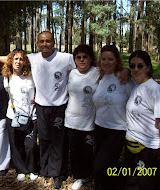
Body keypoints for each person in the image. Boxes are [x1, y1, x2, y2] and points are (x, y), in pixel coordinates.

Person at [0, 31, 76, 189]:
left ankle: (58, 174)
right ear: (38, 43)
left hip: (59, 106)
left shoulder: (65, 58)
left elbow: (83, 66)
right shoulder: (33, 58)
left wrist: (121, 71)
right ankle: (45, 169)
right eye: (41, 41)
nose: (45, 44)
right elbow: (10, 59)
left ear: (53, 42)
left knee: (58, 142)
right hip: (40, 107)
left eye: (48, 41)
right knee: (45, 140)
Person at [125, 50, 160, 190]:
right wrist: (126, 71)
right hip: (132, 147)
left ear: (148, 67)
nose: (136, 69)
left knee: (148, 184)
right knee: (131, 184)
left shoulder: (154, 90)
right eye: (132, 66)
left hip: (149, 149)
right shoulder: (135, 84)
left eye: (140, 66)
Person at [92, 45, 133, 190]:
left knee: (101, 166)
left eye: (110, 59)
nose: (106, 62)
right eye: (103, 59)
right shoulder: (100, 77)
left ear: (117, 61)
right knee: (103, 167)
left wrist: (128, 71)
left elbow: (141, 93)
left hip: (117, 130)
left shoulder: (124, 78)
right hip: (99, 128)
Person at [64, 44, 99, 190]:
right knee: (75, 150)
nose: (82, 60)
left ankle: (87, 174)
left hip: (89, 121)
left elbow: (116, 71)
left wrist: (125, 73)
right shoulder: (71, 73)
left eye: (85, 56)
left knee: (88, 150)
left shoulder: (97, 72)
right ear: (75, 59)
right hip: (71, 119)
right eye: (78, 57)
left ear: (91, 58)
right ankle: (79, 175)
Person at [1, 49, 39, 181]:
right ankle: (21, 170)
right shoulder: (7, 77)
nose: (18, 62)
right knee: (16, 144)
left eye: (21, 59)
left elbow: (38, 91)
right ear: (10, 61)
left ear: (25, 62)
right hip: (13, 117)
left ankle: (33, 169)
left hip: (31, 117)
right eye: (15, 59)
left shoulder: (31, 76)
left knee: (31, 145)